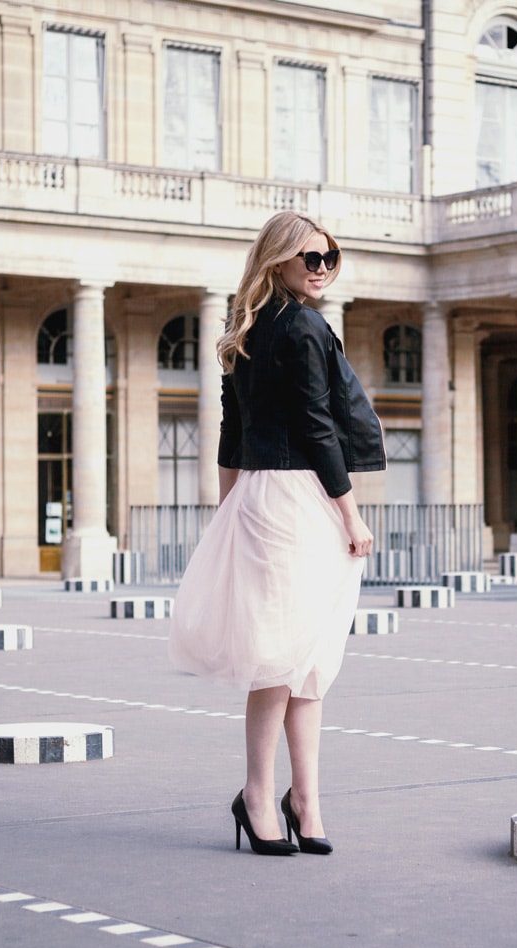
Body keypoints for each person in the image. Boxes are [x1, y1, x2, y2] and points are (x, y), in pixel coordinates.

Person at [167, 211, 386, 856]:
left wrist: (229, 510)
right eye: (309, 258)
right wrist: (349, 512)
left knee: (300, 657)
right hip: (299, 498)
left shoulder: (246, 330)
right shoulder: (304, 328)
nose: (321, 268)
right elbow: (318, 425)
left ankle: (302, 799)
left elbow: (231, 437)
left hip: (265, 496)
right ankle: (263, 796)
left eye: (330, 257)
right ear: (278, 262)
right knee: (286, 658)